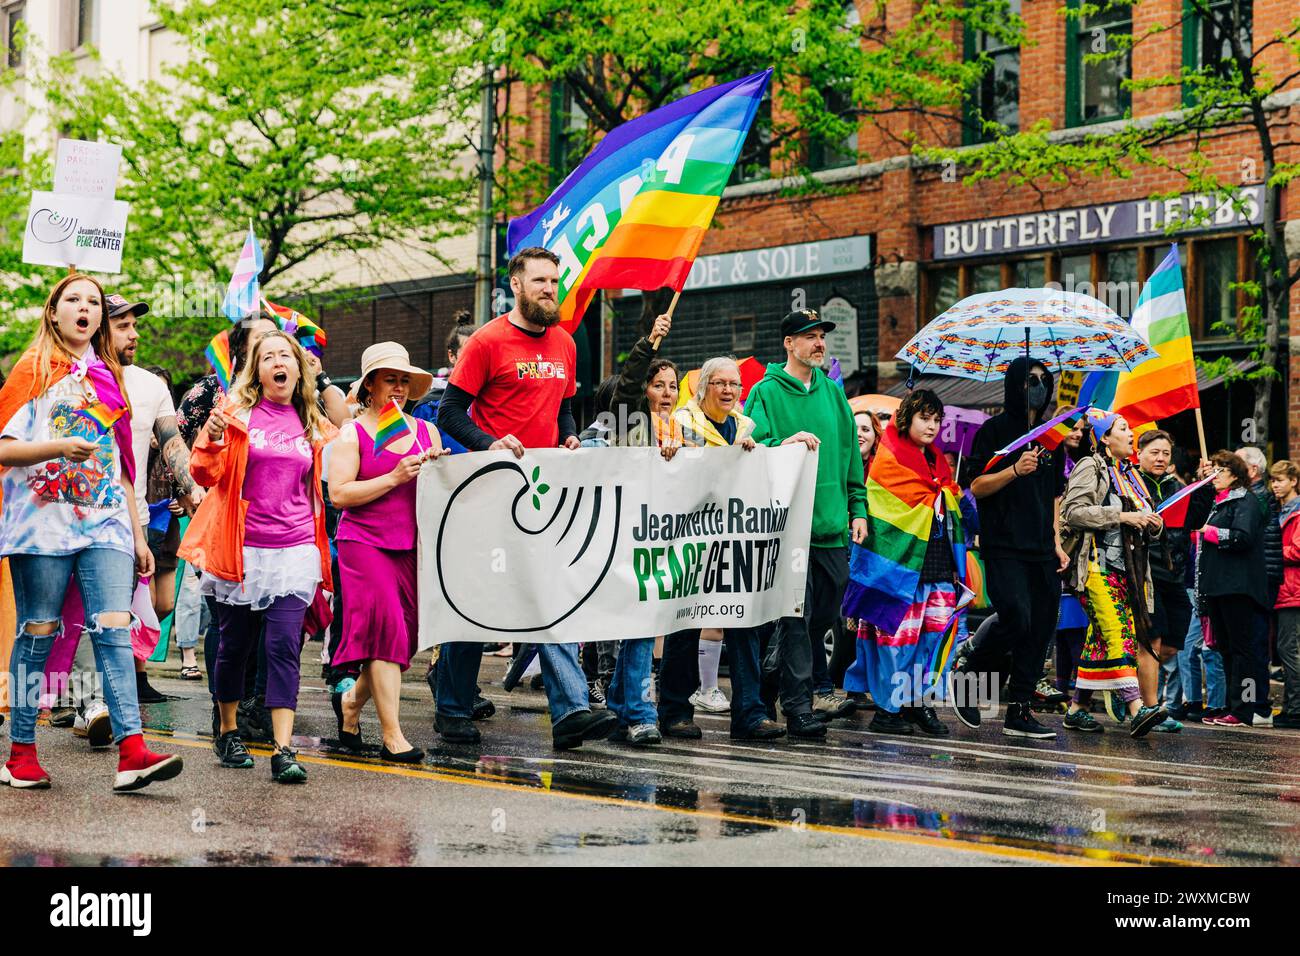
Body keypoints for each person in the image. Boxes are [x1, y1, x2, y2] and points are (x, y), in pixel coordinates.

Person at [0, 273, 183, 791]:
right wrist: (57, 446)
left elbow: (123, 465)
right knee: (38, 631)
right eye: (73, 300)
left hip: (105, 523)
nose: (85, 308)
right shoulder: (33, 371)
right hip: (42, 527)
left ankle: (132, 751)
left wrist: (139, 535)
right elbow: (3, 448)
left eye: (94, 302)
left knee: (113, 626)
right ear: (53, 312)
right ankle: (20, 754)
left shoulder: (108, 377)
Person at [435, 246, 617, 750]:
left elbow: (562, 408)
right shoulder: (487, 341)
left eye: (554, 282)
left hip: (544, 495)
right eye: (539, 281)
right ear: (515, 285)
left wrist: (570, 436)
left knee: (548, 598)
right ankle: (451, 706)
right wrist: (489, 445)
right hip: (490, 493)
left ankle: (570, 713)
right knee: (479, 603)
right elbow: (450, 413)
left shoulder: (565, 342)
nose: (549, 290)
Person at [180, 329, 337, 782]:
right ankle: (228, 729)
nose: (276, 362)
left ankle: (283, 748)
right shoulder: (235, 414)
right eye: (267, 357)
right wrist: (210, 438)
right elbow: (204, 472)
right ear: (258, 370)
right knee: (234, 646)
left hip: (294, 550)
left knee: (284, 646)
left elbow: (349, 443)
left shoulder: (311, 421)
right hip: (241, 549)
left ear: (296, 367)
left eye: (284, 355)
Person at [745, 309, 867, 738]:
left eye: (821, 336)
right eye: (809, 337)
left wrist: (858, 510)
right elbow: (751, 448)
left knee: (825, 615)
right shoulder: (764, 392)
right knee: (798, 617)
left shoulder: (834, 395)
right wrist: (785, 442)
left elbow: (851, 456)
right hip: (788, 529)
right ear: (788, 344)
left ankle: (773, 673)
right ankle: (798, 707)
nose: (818, 343)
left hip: (833, 527)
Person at [328, 343, 445, 762]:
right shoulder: (353, 431)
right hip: (364, 544)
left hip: (411, 546)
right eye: (389, 379)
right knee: (385, 633)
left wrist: (437, 468)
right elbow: (339, 494)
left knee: (403, 640)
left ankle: (351, 704)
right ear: (370, 386)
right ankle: (393, 736)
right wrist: (394, 477)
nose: (397, 387)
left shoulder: (425, 432)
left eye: (403, 381)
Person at [657, 357, 783, 741]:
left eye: (735, 384)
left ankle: (749, 713)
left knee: (743, 622)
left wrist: (761, 450)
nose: (728, 391)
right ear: (703, 387)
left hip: (734, 538)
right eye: (720, 383)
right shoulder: (680, 423)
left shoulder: (745, 427)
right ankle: (676, 712)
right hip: (692, 539)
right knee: (686, 623)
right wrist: (670, 450)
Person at [844, 389, 969, 737]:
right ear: (907, 419)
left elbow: (951, 507)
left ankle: (917, 705)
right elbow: (882, 517)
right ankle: (888, 708)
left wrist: (949, 496)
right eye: (923, 419)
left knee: (933, 641)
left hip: (939, 567)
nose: (931, 426)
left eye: (936, 420)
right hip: (901, 571)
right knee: (897, 641)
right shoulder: (889, 458)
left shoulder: (939, 461)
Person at [956, 357, 1066, 739]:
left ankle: (1019, 710)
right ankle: (970, 669)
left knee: (1039, 627)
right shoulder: (993, 431)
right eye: (1029, 380)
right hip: (1004, 545)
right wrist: (1015, 470)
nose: (1037, 386)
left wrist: (1056, 541)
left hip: (1042, 548)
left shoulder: (1053, 435)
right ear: (1014, 385)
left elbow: (1055, 494)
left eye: (1043, 379)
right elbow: (978, 486)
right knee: (1016, 616)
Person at [1059, 409, 1169, 738]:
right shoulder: (1089, 466)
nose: (1131, 434)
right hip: (1095, 566)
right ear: (1105, 437)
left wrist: (1153, 523)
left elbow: (1142, 519)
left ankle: (1077, 708)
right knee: (1119, 633)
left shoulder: (1131, 474)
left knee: (1099, 639)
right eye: (1123, 428)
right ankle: (1137, 708)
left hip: (1128, 572)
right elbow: (1073, 512)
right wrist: (1122, 516)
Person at [1136, 429, 1214, 733]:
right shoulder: (1129, 483)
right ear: (1139, 453)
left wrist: (1204, 486)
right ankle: (1151, 709)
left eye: (1165, 453)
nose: (1160, 458)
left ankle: (1125, 680)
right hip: (1144, 573)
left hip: (1174, 574)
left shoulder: (1174, 486)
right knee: (1151, 641)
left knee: (1170, 645)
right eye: (1154, 452)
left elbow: (1193, 521)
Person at [1196, 451, 1270, 728]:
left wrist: (1211, 533)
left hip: (1237, 587)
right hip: (1217, 586)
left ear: (1236, 475)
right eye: (1213, 471)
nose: (1215, 476)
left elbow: (1243, 537)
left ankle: (1244, 710)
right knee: (1225, 648)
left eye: (1220, 471)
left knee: (1243, 650)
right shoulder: (1220, 502)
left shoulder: (1246, 500)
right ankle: (1230, 705)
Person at [840, 409, 882, 704]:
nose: (860, 434)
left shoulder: (883, 469)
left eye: (866, 429)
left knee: (869, 620)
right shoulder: (840, 463)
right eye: (855, 428)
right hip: (844, 548)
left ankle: (860, 683)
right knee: (852, 620)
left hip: (874, 553)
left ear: (875, 436)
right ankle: (853, 683)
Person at [1236, 444, 1280, 724]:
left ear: (1252, 469)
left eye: (1237, 464)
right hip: (1257, 577)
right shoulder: (1254, 495)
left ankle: (1258, 706)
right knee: (1249, 643)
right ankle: (1251, 705)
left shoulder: (1258, 498)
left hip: (1261, 578)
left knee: (1253, 644)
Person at [1270, 459, 1300, 729]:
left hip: (1294, 590)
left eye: (1280, 480)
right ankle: (1292, 706)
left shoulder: (1297, 512)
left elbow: (1298, 550)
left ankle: (1296, 708)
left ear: (1293, 481)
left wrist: (1270, 553)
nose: (1275, 485)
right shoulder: (1278, 511)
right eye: (1273, 480)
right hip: (1282, 589)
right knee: (1285, 649)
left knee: (1289, 650)